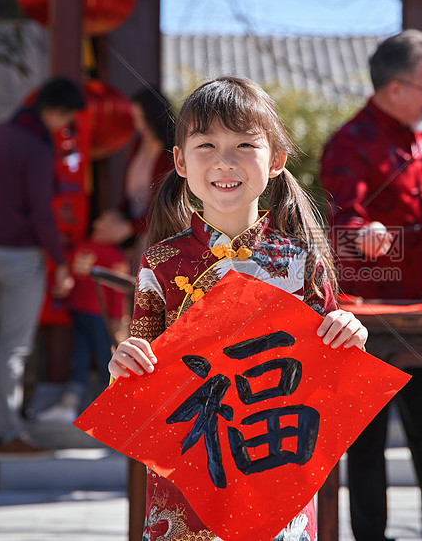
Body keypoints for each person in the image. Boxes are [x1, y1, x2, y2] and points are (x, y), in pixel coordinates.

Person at [107, 76, 369, 540]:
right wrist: (124, 364)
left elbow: (332, 375)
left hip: (276, 463)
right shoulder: (161, 264)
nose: (224, 161)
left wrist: (348, 334)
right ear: (180, 161)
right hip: (187, 473)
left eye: (245, 144)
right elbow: (140, 381)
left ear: (276, 161)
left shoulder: (302, 261)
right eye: (206, 144)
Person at [320, 29, 422, 541]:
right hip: (364, 315)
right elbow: (340, 221)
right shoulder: (350, 142)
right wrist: (360, 232)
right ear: (394, 88)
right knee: (365, 441)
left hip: (421, 308)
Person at [0, 76, 85, 454]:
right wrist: (59, 263)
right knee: (14, 349)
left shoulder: (3, 133)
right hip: (20, 256)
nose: (65, 126)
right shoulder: (37, 146)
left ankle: (7, 427)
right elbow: (43, 213)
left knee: (4, 345)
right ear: (55, 112)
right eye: (67, 117)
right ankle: (8, 434)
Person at [34, 231, 128, 424]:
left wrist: (117, 317)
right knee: (80, 355)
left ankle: (116, 407)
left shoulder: (114, 254)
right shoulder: (82, 245)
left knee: (106, 357)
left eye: (113, 223)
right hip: (79, 308)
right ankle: (69, 404)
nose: (106, 226)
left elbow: (118, 290)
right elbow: (70, 272)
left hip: (99, 312)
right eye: (103, 221)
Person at [93, 86, 176, 271]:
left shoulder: (171, 153)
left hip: (156, 232)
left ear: (156, 116)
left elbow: (165, 205)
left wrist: (128, 227)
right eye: (136, 119)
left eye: (143, 119)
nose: (139, 125)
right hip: (134, 225)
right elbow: (131, 193)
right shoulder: (138, 143)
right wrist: (117, 215)